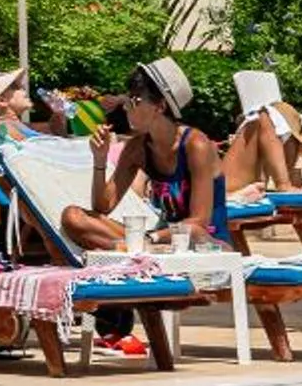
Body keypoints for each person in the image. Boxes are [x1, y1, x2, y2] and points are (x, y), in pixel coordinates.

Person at [61, 57, 227, 252]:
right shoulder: (137, 148)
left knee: (195, 232)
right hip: (160, 243)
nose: (125, 107)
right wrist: (100, 159)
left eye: (134, 101)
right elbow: (102, 208)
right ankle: (138, 250)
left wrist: (150, 238)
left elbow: (199, 222)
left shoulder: (196, 146)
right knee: (73, 217)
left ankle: (132, 249)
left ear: (160, 106)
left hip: (204, 244)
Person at [220, 89, 302, 197]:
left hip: (229, 193)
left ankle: (289, 182)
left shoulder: (265, 133)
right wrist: (283, 184)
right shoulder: (263, 122)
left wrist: (295, 182)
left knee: (280, 123)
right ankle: (286, 182)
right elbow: (263, 117)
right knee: (267, 120)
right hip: (225, 194)